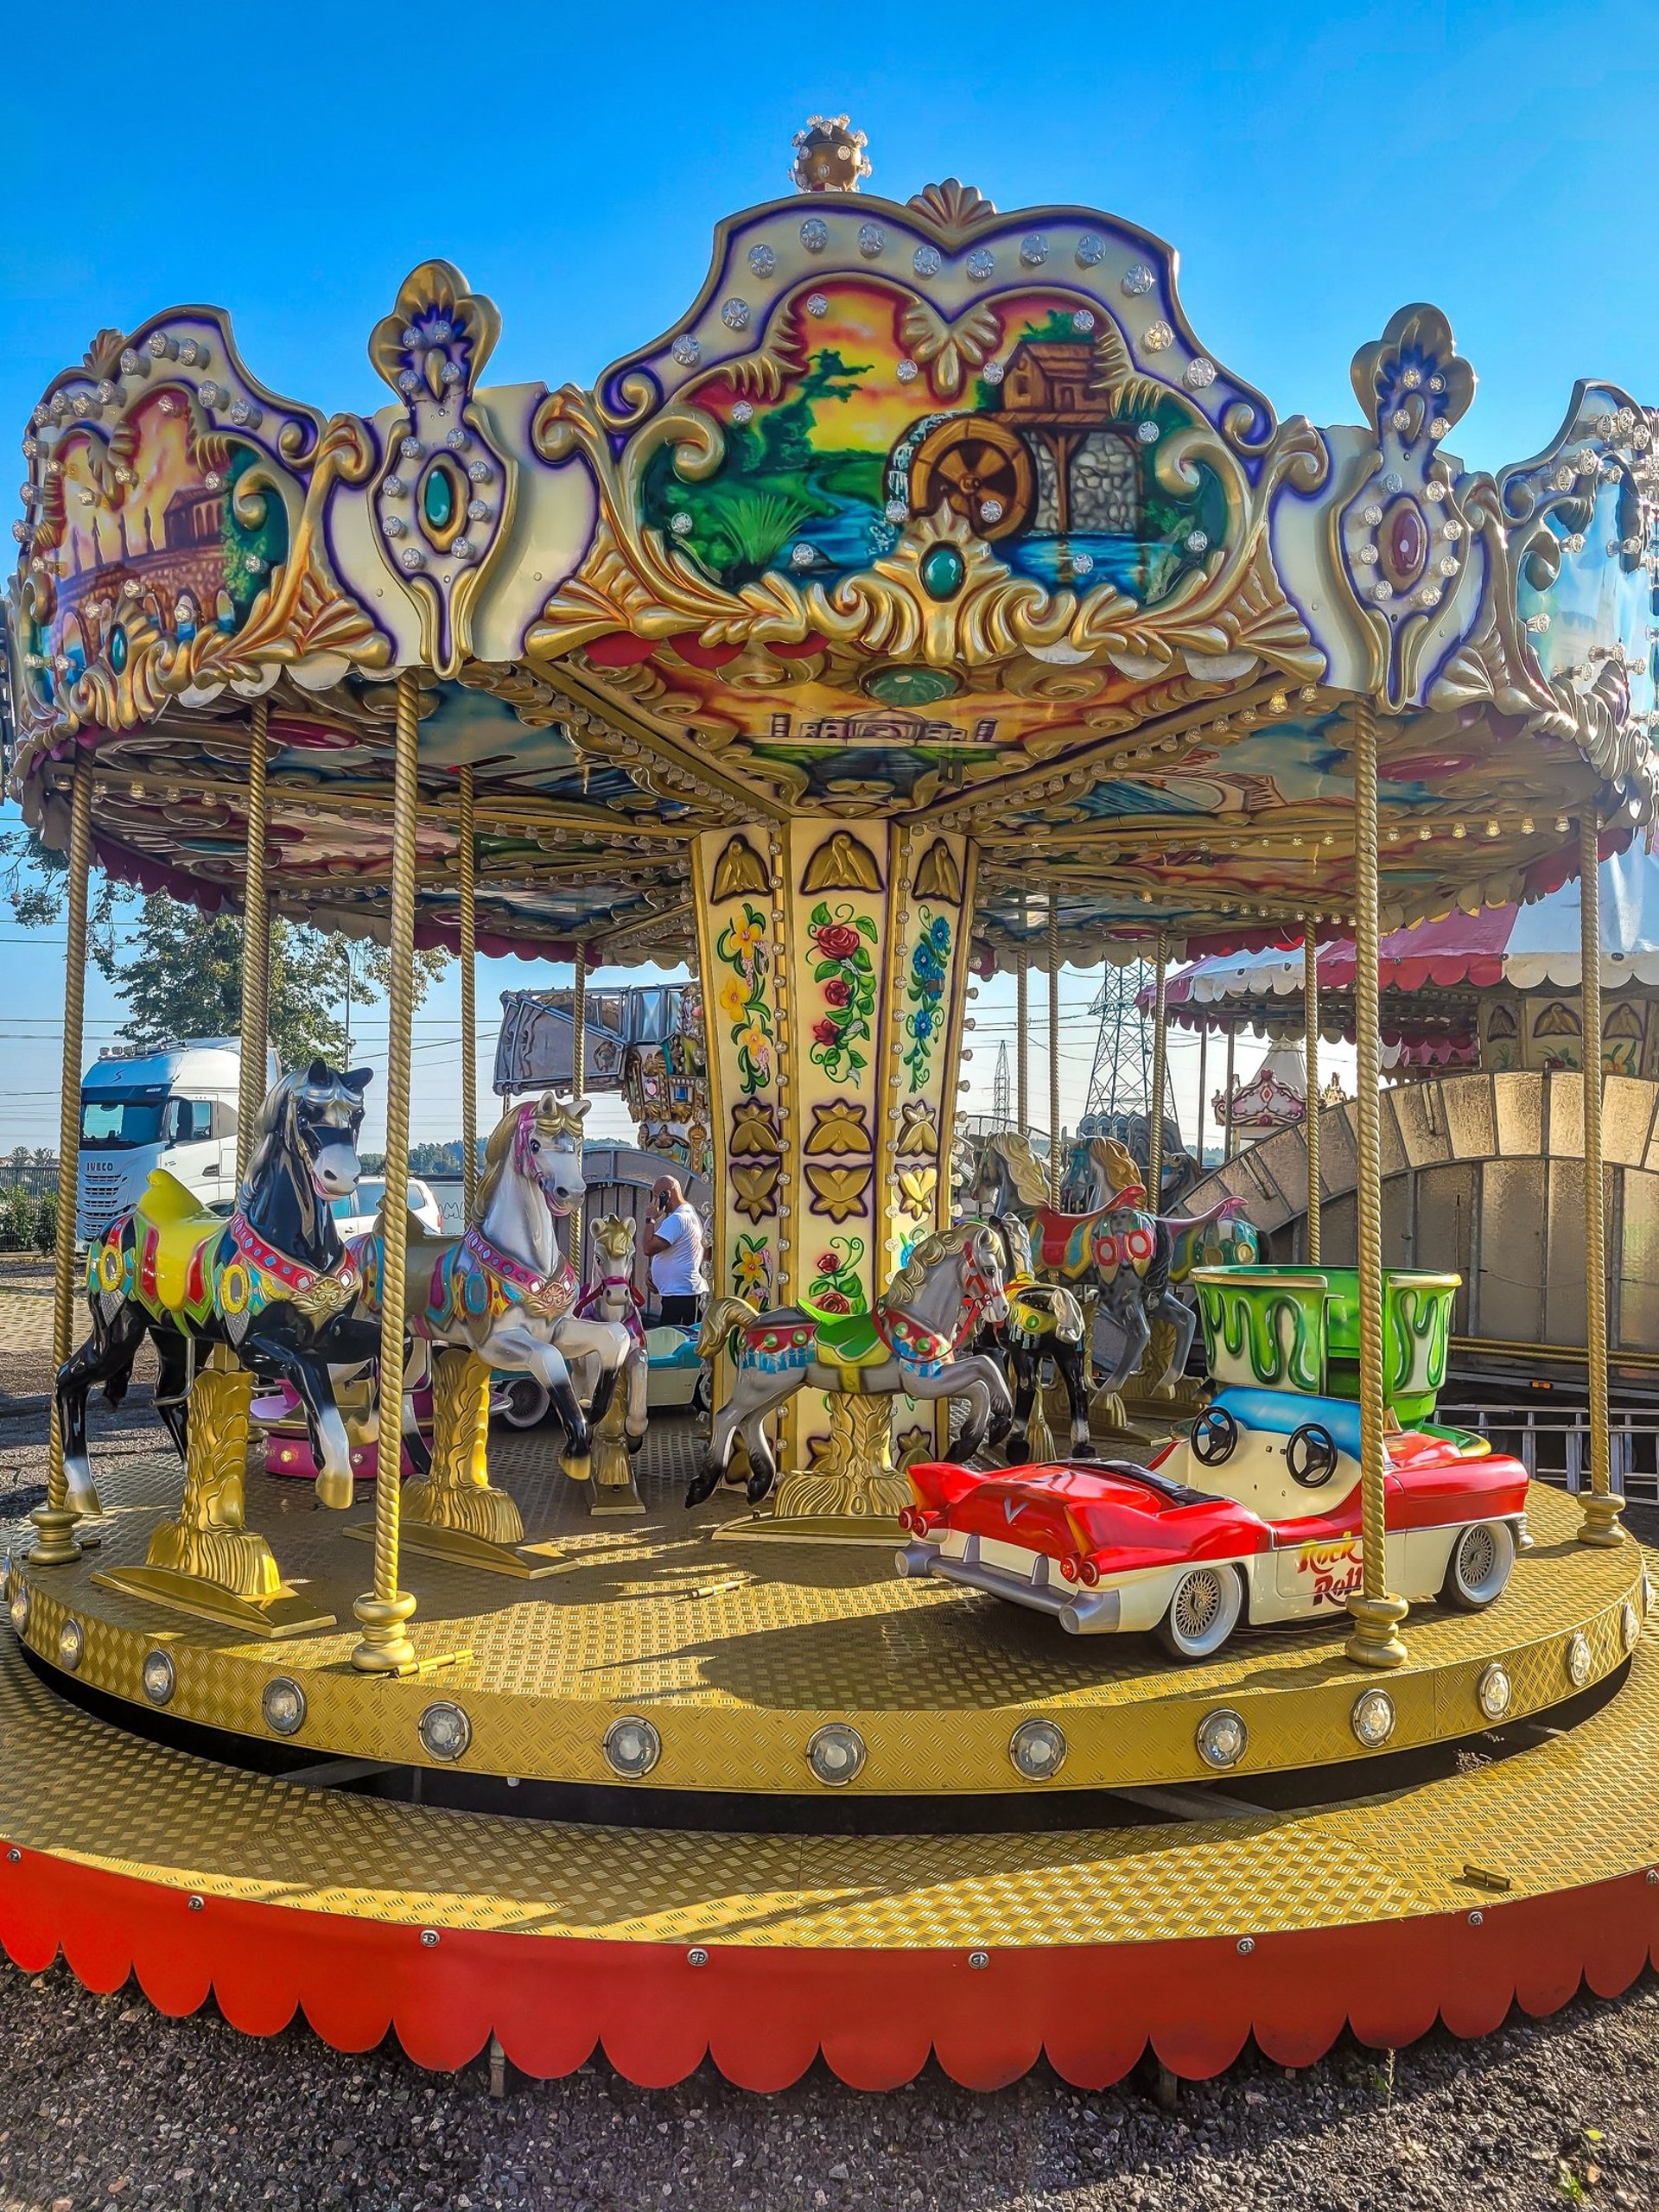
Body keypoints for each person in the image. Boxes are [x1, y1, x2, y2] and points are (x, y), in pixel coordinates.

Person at [640, 1174, 706, 1327]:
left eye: (657, 1197)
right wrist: (655, 1274)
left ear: (666, 1195)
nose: (654, 1202)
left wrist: (650, 1218)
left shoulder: (678, 1219)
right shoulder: (688, 1214)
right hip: (679, 1293)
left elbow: (648, 1248)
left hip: (681, 1296)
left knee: (676, 1342)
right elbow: (676, 1252)